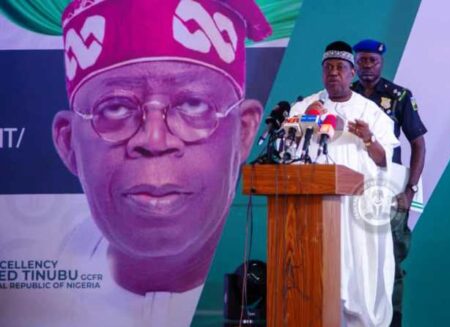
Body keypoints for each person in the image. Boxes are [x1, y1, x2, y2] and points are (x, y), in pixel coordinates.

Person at [0, 0, 269, 326]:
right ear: (69, 144)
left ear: (243, 132)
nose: (154, 139)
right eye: (114, 108)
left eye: (195, 104)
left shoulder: (278, 285)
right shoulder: (25, 305)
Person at [289, 41, 400, 327]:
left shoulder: (371, 111)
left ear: (352, 73)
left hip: (356, 211)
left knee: (359, 278)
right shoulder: (305, 106)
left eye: (340, 68)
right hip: (315, 210)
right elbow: (285, 150)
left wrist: (368, 138)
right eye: (328, 68)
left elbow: (384, 160)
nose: (334, 73)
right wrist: (305, 120)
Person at [351, 39, 428, 327]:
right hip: (354, 189)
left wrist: (410, 189)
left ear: (381, 62)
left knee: (392, 259)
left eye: (371, 61)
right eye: (360, 61)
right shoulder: (348, 95)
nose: (365, 66)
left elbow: (418, 145)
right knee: (356, 258)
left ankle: (393, 320)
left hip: (390, 189)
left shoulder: (399, 96)